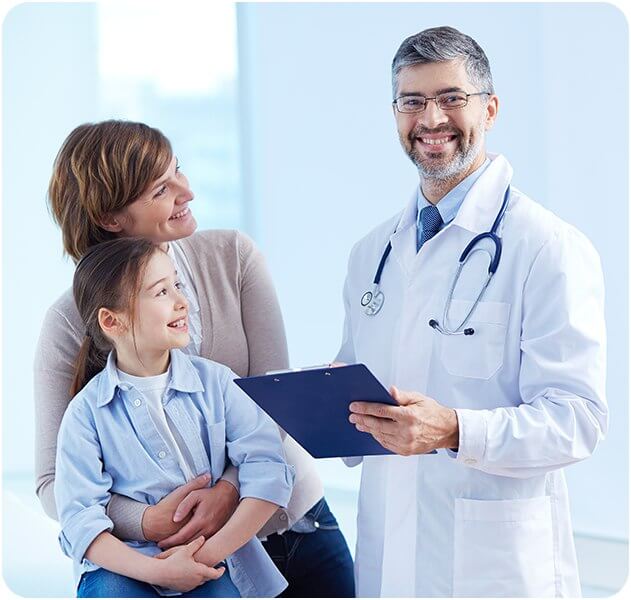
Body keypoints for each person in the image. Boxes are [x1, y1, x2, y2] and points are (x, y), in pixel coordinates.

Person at [338, 26, 607, 597]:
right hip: (389, 561)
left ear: (490, 108)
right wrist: (324, 404)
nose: (431, 118)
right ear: (395, 114)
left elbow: (577, 419)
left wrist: (456, 430)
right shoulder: (371, 254)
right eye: (413, 101)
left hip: (496, 568)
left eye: (451, 98)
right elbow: (358, 386)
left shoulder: (546, 246)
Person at [35, 120, 355, 597]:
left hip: (293, 527)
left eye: (177, 170)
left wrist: (228, 490)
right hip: (171, 562)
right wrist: (147, 520)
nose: (187, 191)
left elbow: (274, 406)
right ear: (111, 218)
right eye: (161, 189)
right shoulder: (69, 321)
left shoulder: (234, 256)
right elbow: (55, 482)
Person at [56, 237, 294, 597]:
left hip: (214, 558)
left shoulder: (219, 383)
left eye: (177, 285)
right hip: (123, 566)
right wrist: (159, 571)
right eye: (161, 292)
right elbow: (80, 520)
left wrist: (201, 558)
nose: (183, 302)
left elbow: (269, 471)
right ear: (112, 321)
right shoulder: (85, 414)